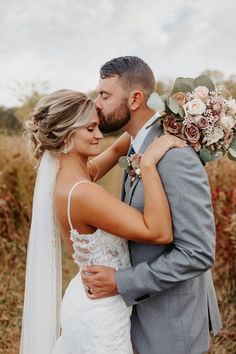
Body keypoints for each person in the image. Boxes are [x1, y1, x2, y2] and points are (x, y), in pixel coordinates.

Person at [20, 89, 186, 354]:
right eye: (90, 129)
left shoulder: (70, 176)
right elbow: (159, 231)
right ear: (65, 135)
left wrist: (160, 112)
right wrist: (149, 165)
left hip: (88, 298)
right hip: (100, 315)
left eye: (97, 126)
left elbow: (120, 146)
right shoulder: (83, 193)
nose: (99, 135)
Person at [81, 56, 222, 354]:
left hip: (173, 329)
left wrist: (122, 281)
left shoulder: (174, 155)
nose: (97, 103)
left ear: (134, 100)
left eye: (105, 95)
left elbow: (197, 252)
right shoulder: (140, 147)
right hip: (143, 320)